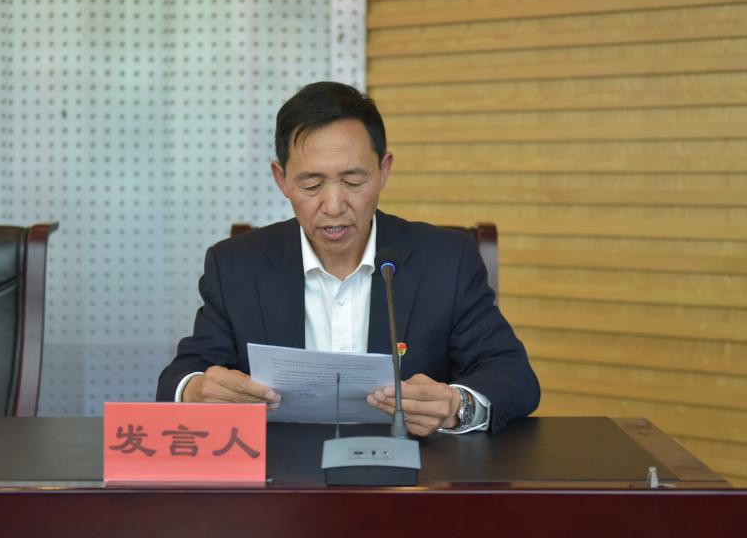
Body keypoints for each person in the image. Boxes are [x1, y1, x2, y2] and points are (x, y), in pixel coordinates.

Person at [156, 81, 539, 435]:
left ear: (384, 170)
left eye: (353, 181)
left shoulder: (446, 261)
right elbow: (183, 374)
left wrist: (458, 407)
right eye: (311, 184)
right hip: (282, 474)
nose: (334, 205)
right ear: (281, 179)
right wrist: (196, 390)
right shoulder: (236, 265)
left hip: (410, 472)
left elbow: (513, 376)